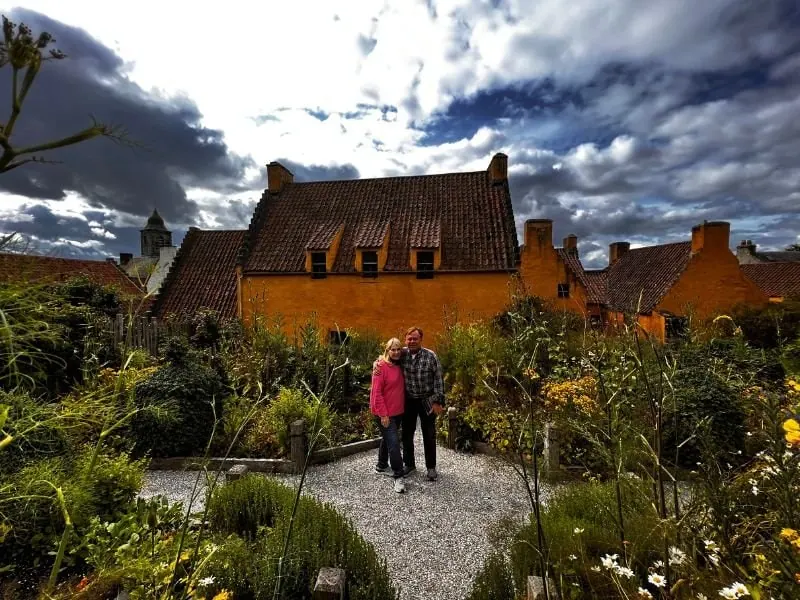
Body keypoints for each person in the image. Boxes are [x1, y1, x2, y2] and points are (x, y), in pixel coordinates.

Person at [377, 326, 445, 481]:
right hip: (408, 400)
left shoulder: (431, 356)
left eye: (415, 338)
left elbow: (439, 379)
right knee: (407, 433)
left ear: (421, 339)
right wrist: (377, 363)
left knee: (429, 434)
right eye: (409, 338)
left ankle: (431, 467)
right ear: (406, 340)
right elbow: (387, 357)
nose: (412, 341)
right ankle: (409, 464)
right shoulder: (403, 354)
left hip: (427, 399)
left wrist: (438, 401)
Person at [370, 337, 407, 493]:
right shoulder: (380, 367)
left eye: (398, 349)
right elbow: (376, 393)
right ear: (387, 350)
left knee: (388, 439)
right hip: (385, 414)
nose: (396, 352)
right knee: (394, 444)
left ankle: (381, 465)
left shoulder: (400, 363)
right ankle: (398, 476)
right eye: (393, 349)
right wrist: (383, 415)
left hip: (398, 412)